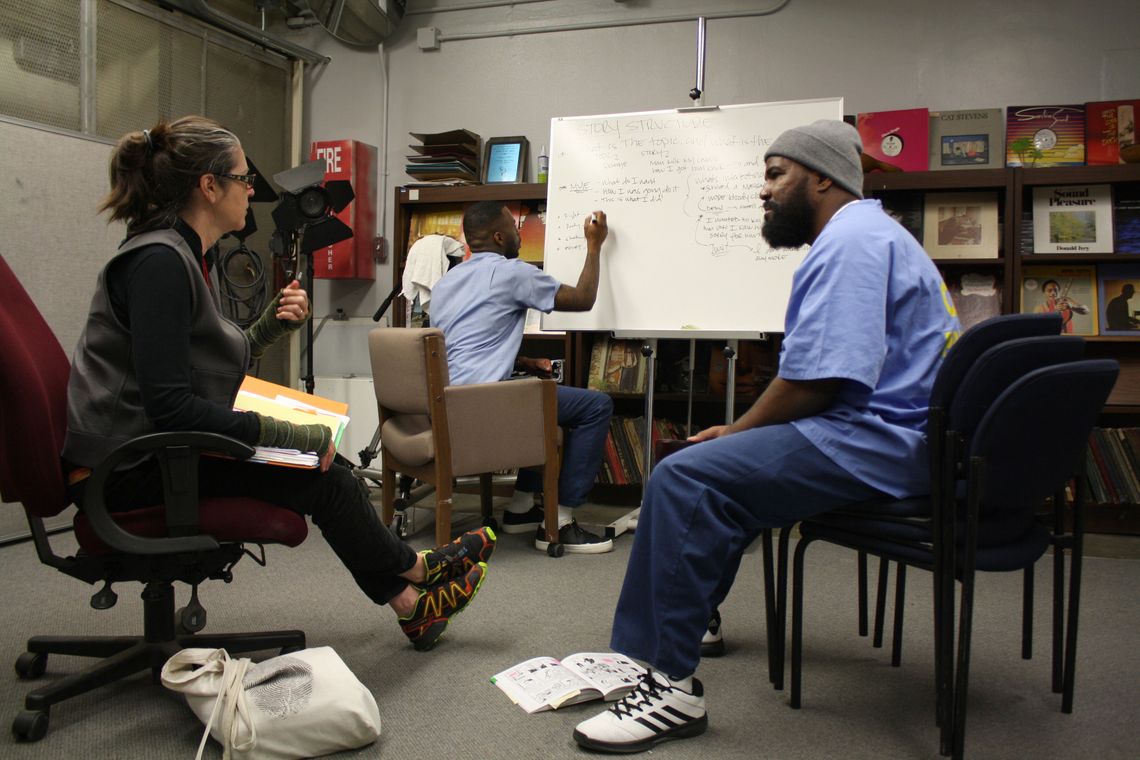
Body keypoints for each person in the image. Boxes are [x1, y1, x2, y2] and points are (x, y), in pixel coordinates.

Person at [573, 119, 962, 753]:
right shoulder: (871, 232)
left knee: (686, 472)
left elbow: (815, 383)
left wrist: (738, 430)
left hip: (877, 441)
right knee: (725, 468)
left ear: (822, 178)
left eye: (776, 174)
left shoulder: (852, 242)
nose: (764, 190)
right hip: (892, 435)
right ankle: (689, 622)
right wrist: (742, 433)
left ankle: (667, 685)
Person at [61, 116, 493, 652]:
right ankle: (416, 575)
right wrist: (289, 435)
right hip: (126, 470)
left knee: (324, 470)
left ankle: (412, 602)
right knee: (322, 471)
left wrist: (269, 327)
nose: (252, 192)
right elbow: (172, 407)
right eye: (243, 179)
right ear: (209, 186)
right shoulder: (159, 263)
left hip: (146, 453)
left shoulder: (180, 254)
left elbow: (192, 371)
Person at [429, 202, 615, 553]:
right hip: (486, 405)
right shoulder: (512, 272)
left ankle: (520, 508)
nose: (519, 234)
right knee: (596, 406)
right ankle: (559, 522)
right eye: (514, 229)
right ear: (500, 237)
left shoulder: (446, 283)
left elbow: (464, 345)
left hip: (450, 403)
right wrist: (594, 245)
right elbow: (582, 298)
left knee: (538, 393)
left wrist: (523, 360)